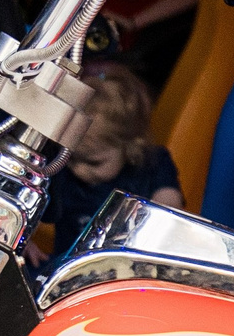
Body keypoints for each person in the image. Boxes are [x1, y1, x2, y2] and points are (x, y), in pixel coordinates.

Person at [31, 65, 183, 268]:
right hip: (74, 274)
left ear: (130, 145)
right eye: (71, 158)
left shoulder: (152, 165)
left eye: (94, 162)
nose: (79, 170)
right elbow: (31, 206)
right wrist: (26, 241)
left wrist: (160, 222)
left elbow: (169, 209)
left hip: (138, 272)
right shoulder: (63, 174)